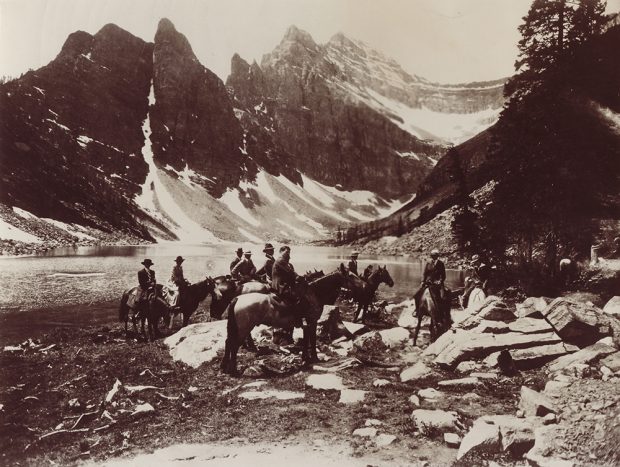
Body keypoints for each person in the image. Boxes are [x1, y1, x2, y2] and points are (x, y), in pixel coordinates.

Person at [271, 245, 306, 326]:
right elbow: (290, 272)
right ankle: (296, 320)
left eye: (289, 252)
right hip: (279, 286)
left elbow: (289, 274)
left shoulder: (282, 260)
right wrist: (300, 278)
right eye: (286, 252)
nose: (288, 254)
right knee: (296, 298)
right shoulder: (280, 260)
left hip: (281, 284)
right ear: (281, 251)